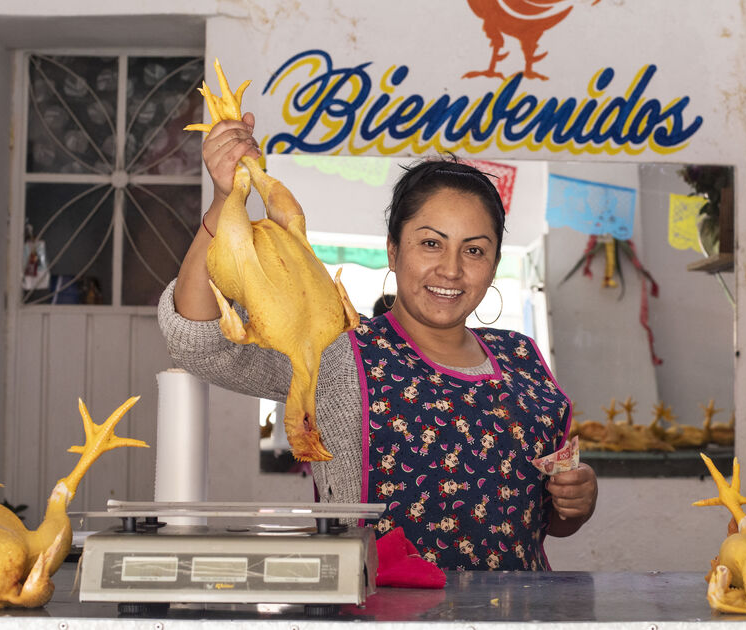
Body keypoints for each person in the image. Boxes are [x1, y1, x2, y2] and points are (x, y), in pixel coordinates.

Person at [159, 112, 597, 570]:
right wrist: (225, 201)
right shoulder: (339, 351)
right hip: (380, 615)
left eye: (474, 250)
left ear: (492, 264)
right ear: (393, 249)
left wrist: (578, 500)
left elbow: (546, 520)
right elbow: (199, 339)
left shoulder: (522, 358)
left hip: (513, 620)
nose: (451, 269)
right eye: (431, 243)